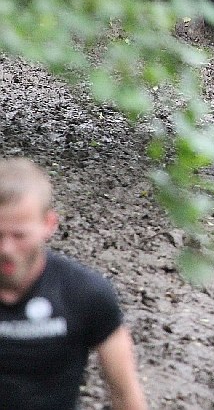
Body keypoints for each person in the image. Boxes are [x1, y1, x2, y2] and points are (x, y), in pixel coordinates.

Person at [0, 158, 147, 410]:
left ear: (48, 225)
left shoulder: (84, 294)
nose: (6, 249)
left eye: (19, 235)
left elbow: (125, 396)